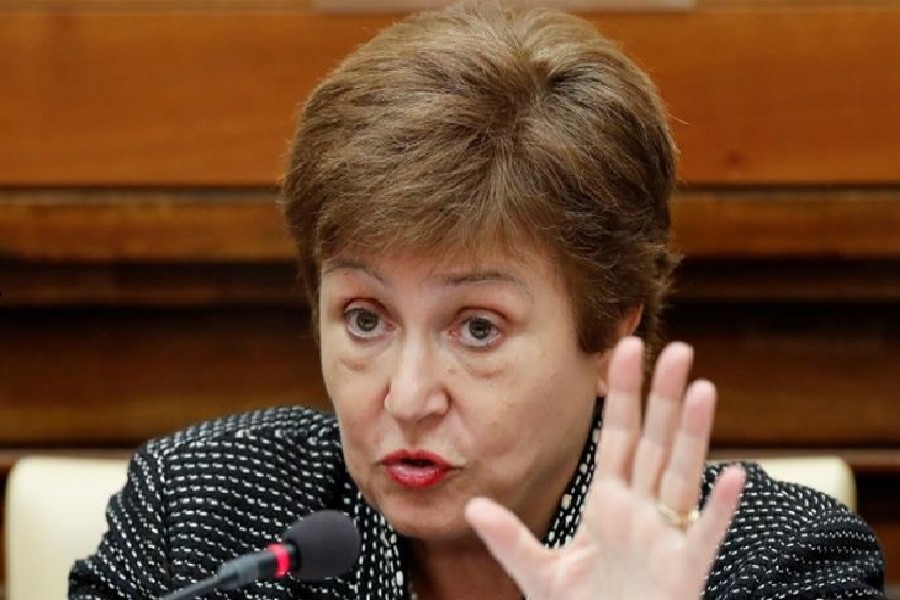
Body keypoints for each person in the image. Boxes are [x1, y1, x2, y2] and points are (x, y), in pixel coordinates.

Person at [70, 2, 886, 599]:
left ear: (609, 331)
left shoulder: (778, 564)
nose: (409, 396)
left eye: (478, 327)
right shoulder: (205, 516)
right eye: (365, 318)